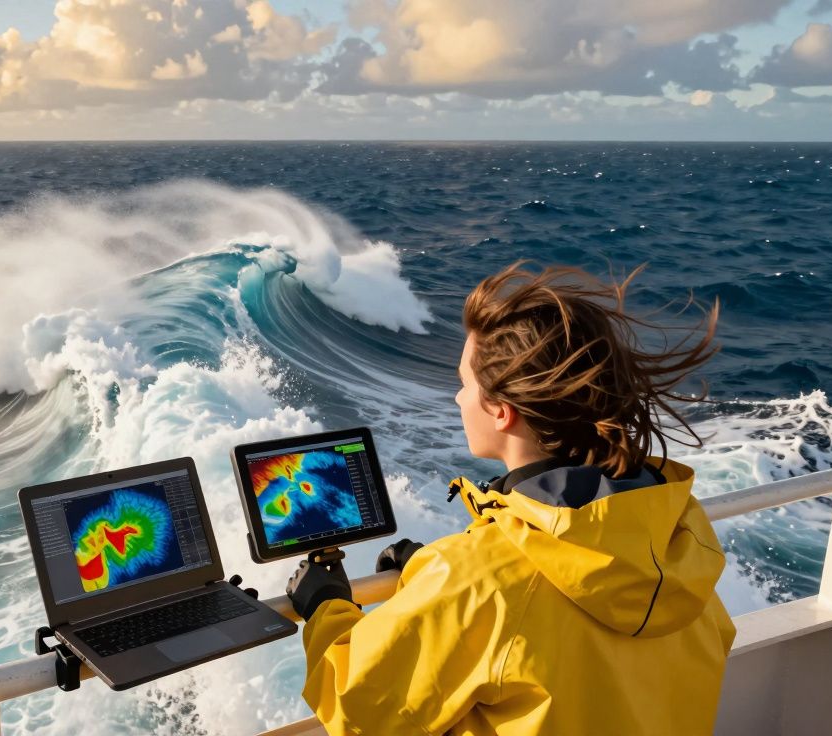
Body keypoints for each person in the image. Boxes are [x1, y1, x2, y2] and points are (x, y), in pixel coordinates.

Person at [285, 261, 736, 736]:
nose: (458, 399)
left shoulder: (473, 580)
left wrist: (326, 608)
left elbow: (358, 707)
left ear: (501, 412)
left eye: (464, 384)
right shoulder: (678, 541)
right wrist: (429, 575)